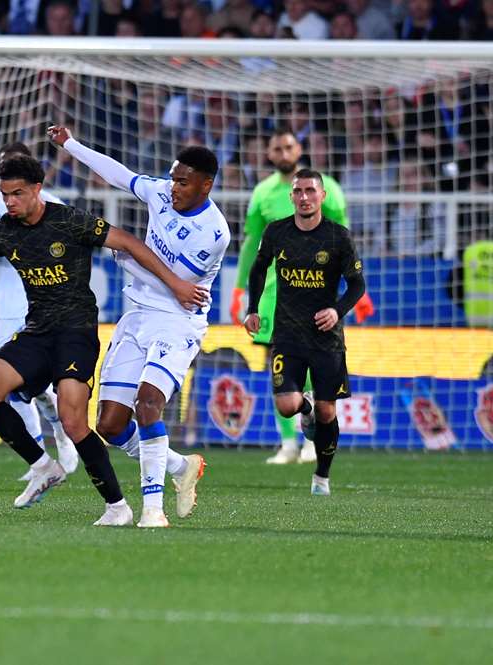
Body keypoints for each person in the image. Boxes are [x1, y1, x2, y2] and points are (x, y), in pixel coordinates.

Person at [0, 154, 208, 526]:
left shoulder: (68, 221)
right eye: (5, 195)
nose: (10, 202)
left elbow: (128, 242)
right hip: (37, 332)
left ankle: (117, 506)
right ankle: (43, 464)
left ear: (37, 189)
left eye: (17, 193)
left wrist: (176, 283)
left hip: (76, 334)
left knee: (73, 422)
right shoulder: (4, 229)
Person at [49, 125, 224, 527]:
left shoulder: (213, 234)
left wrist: (127, 256)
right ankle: (181, 466)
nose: (173, 187)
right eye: (173, 177)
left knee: (148, 403)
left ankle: (152, 510)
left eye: (183, 182)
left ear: (205, 185)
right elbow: (117, 173)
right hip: (139, 314)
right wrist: (71, 144)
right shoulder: (161, 192)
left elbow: (171, 282)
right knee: (109, 425)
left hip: (178, 322)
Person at [231, 128, 373, 464]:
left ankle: (312, 440)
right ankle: (288, 443)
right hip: (273, 298)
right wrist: (239, 290)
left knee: (314, 366)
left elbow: (344, 240)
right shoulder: (262, 193)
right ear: (269, 154)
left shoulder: (329, 189)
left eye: (289, 146)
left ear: (299, 150)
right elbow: (253, 246)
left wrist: (358, 293)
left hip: (316, 296)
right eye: (277, 147)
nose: (283, 152)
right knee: (278, 367)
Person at [244, 169, 366, 496]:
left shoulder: (338, 237)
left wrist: (336, 310)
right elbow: (258, 269)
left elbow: (357, 284)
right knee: (287, 405)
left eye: (311, 190)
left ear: (322, 196)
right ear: (292, 197)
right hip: (287, 335)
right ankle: (305, 410)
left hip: (327, 338)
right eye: (298, 191)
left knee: (329, 412)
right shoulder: (277, 232)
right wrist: (252, 308)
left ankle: (322, 478)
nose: (304, 197)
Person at [0, 142, 79, 480]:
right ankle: (39, 458)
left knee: (31, 383)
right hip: (7, 303)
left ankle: (61, 429)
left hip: (44, 304)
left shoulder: (55, 206)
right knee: (8, 387)